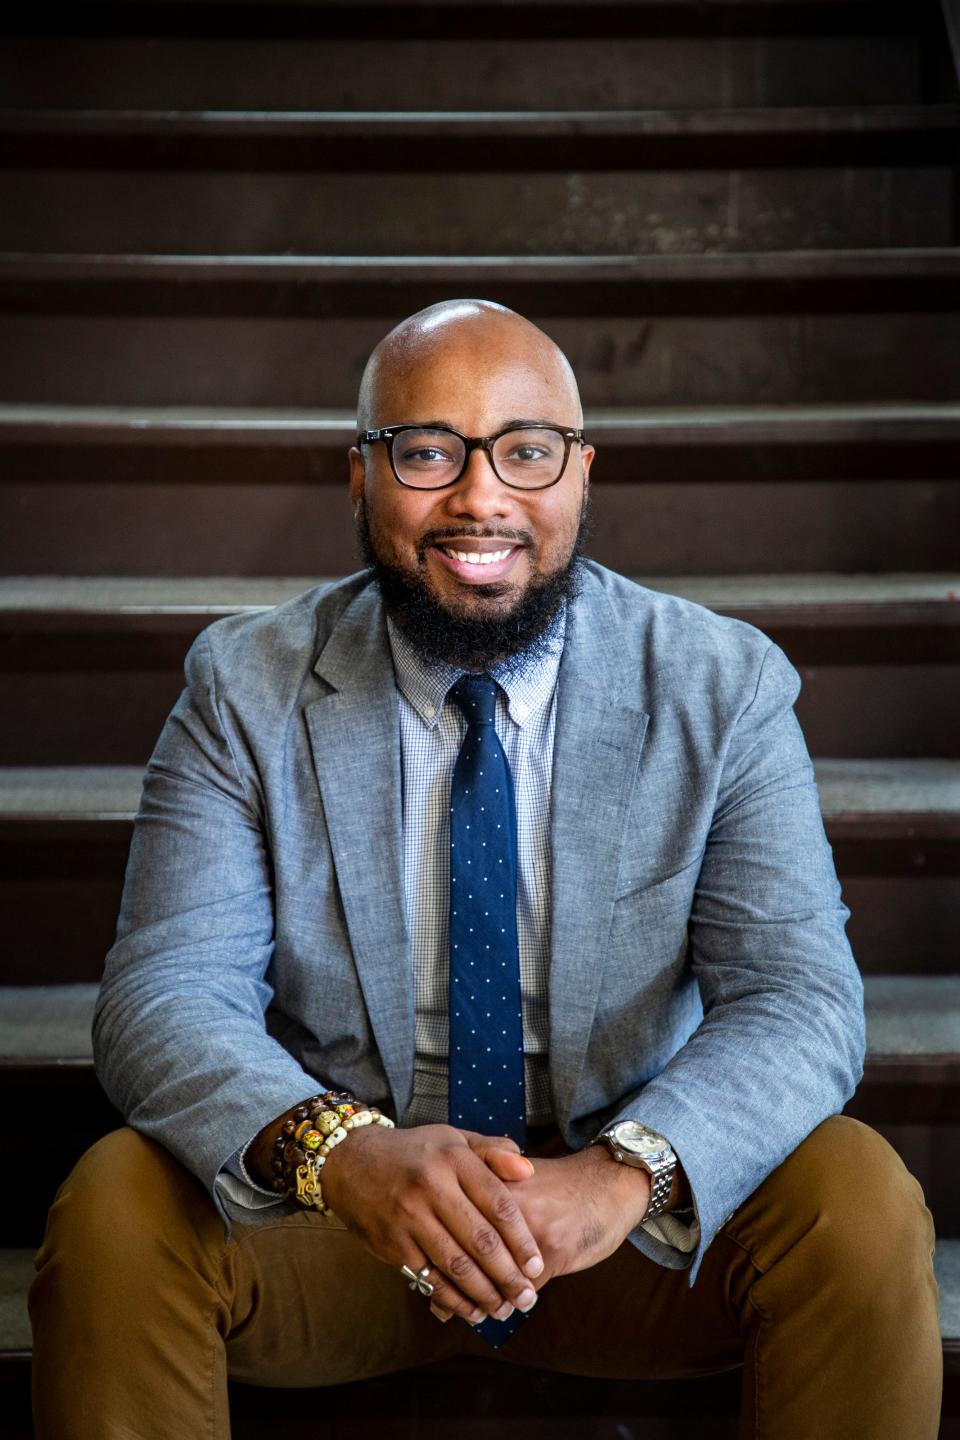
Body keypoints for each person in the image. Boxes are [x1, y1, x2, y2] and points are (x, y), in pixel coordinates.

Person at [30, 300, 941, 1438]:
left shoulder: (722, 684)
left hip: (627, 1240)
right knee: (117, 1203)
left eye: (526, 449)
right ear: (358, 476)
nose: (481, 496)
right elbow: (165, 995)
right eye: (426, 452)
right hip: (344, 1224)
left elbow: (800, 999)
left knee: (856, 1199)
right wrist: (346, 1159)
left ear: (580, 472)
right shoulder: (244, 686)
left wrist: (618, 1180)